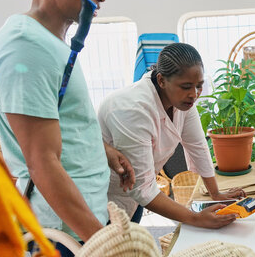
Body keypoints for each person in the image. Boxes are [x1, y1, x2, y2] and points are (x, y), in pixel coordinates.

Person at [0, 0, 135, 257]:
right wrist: (101, 246)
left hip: (80, 219)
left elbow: (60, 123)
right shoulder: (26, 48)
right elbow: (41, 162)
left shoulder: (49, 43)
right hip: (64, 231)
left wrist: (104, 151)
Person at [98, 42, 246, 229]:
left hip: (131, 198)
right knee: (95, 252)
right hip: (100, 198)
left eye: (199, 86)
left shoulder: (182, 101)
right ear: (161, 80)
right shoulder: (133, 109)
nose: (194, 94)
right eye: (186, 86)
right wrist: (195, 218)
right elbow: (143, 189)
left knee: (124, 247)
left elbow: (197, 146)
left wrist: (215, 193)